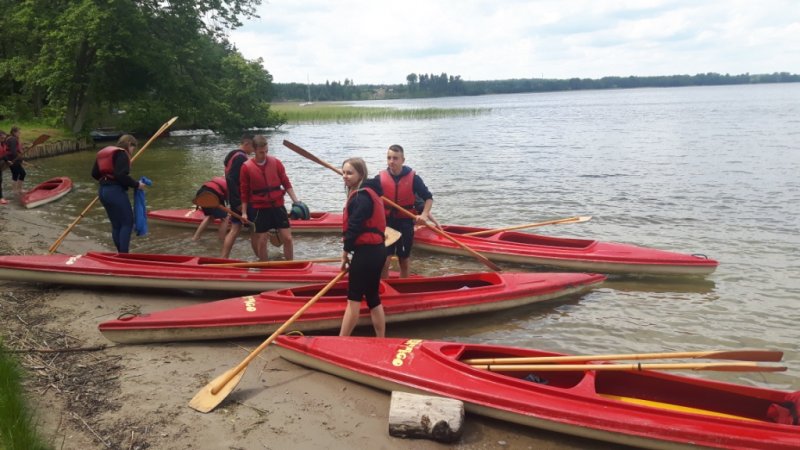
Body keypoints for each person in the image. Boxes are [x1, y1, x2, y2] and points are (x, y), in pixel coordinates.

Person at [339, 157, 387, 337]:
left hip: (366, 254)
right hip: (378, 251)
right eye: (343, 172)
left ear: (361, 175)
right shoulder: (369, 192)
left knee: (354, 299)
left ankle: (341, 341)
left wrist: (344, 254)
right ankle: (381, 339)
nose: (345, 176)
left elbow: (353, 229)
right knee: (373, 298)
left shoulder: (361, 197)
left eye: (350, 173)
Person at [239, 134, 301, 261]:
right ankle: (264, 266)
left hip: (277, 205)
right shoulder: (246, 167)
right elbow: (244, 192)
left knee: (287, 238)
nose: (265, 154)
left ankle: (290, 265)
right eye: (261, 152)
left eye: (266, 151)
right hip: (260, 208)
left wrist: (296, 201)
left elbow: (286, 183)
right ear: (254, 150)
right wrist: (244, 212)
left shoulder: (276, 163)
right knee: (262, 240)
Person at [378, 144, 433, 278]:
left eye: (395, 158)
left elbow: (428, 198)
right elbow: (366, 192)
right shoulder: (379, 178)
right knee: (384, 261)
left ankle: (403, 287)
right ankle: (385, 289)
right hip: (387, 224)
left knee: (404, 260)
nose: (391, 161)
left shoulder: (414, 178)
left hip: (405, 223)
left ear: (403, 160)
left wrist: (424, 215)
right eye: (389, 158)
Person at [91, 134, 146, 253]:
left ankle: (120, 253)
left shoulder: (104, 153)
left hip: (103, 191)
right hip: (115, 192)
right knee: (127, 223)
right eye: (133, 148)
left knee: (116, 225)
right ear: (129, 144)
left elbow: (95, 173)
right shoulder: (122, 154)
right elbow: (121, 175)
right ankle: (124, 255)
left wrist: (106, 179)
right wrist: (137, 184)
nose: (132, 151)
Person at [220, 134, 255, 258]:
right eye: (253, 147)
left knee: (235, 229)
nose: (254, 150)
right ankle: (261, 259)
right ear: (246, 144)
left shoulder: (232, 155)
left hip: (235, 199)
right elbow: (231, 179)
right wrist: (237, 202)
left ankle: (223, 258)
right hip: (241, 200)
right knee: (254, 230)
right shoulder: (240, 158)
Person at [192, 176, 230, 241]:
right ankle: (222, 241)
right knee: (225, 218)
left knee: (210, 217)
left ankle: (195, 238)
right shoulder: (233, 185)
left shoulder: (225, 178)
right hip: (211, 195)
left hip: (201, 193)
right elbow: (231, 203)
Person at [5, 127, 25, 199]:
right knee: (16, 174)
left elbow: (17, 150)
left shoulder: (13, 138)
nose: (20, 133)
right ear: (14, 132)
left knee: (22, 173)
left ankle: (19, 189)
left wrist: (21, 159)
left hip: (15, 159)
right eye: (18, 132)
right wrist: (20, 159)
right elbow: (13, 152)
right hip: (12, 160)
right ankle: (15, 191)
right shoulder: (12, 139)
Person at [0, 131, 7, 205]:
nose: (3, 139)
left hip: (1, 164)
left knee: (0, 180)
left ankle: (1, 197)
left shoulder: (2, 144)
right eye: (2, 138)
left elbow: (4, 154)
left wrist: (8, 161)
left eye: (4, 138)